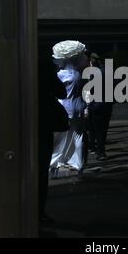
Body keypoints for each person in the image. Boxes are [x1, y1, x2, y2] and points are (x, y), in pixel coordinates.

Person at [38, 52, 69, 223]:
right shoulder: (48, 76)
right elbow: (62, 93)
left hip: (24, 124)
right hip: (44, 126)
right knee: (42, 171)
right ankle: (39, 211)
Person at [50, 40, 89, 174]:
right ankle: (77, 162)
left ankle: (56, 161)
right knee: (78, 136)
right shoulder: (79, 75)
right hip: (79, 107)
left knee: (61, 137)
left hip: (65, 109)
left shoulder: (60, 75)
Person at [85, 52, 113, 161]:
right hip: (107, 104)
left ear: (92, 60)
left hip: (96, 104)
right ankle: (101, 149)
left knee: (97, 129)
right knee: (104, 128)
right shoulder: (109, 71)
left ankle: (100, 151)